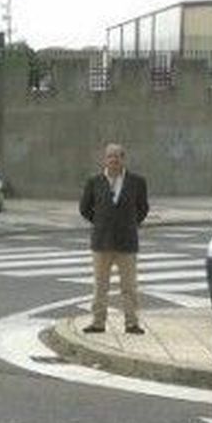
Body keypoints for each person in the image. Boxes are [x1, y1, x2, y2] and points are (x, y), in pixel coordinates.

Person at [78, 143, 150, 335]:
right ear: (105, 159)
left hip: (127, 242)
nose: (113, 160)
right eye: (110, 156)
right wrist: (101, 222)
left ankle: (132, 323)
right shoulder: (94, 181)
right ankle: (98, 322)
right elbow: (84, 208)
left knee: (129, 286)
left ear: (123, 159)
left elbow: (143, 208)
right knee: (100, 285)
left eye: (117, 156)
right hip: (102, 242)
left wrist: (130, 224)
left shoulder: (137, 182)